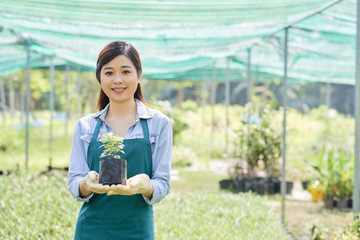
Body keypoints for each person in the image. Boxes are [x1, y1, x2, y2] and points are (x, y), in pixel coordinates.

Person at [67, 40, 173, 240]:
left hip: (137, 229)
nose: (117, 80)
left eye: (125, 71)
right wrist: (86, 184)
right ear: (99, 77)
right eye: (108, 72)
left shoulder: (159, 124)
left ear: (138, 75)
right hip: (92, 228)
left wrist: (147, 186)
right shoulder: (85, 126)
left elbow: (163, 182)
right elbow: (74, 181)